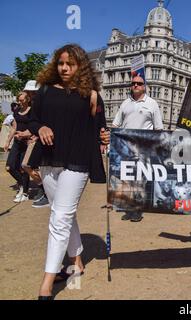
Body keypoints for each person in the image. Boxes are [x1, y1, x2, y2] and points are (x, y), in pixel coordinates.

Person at [29, 44, 107, 299]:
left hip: (78, 162)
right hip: (48, 161)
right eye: (61, 63)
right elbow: (32, 119)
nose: (64, 68)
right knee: (63, 213)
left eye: (70, 64)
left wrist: (104, 136)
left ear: (80, 66)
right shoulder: (44, 91)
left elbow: (100, 130)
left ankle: (46, 284)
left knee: (60, 218)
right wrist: (39, 128)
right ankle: (78, 263)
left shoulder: (92, 96)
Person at [112, 74, 164, 222]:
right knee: (127, 179)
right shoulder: (125, 103)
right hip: (125, 148)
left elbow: (158, 128)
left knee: (140, 180)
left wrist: (154, 146)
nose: (136, 85)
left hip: (143, 149)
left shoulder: (152, 103)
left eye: (139, 84)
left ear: (144, 86)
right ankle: (129, 207)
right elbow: (116, 124)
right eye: (133, 83)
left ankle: (137, 210)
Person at [15, 80, 50, 208]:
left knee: (30, 165)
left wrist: (30, 134)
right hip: (36, 139)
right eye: (29, 92)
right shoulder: (37, 104)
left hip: (41, 140)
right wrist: (25, 133)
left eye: (32, 92)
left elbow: (42, 123)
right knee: (30, 166)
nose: (30, 94)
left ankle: (47, 192)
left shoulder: (42, 104)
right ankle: (44, 190)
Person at [4, 92, 32, 203]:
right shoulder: (16, 111)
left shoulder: (32, 111)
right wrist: (7, 141)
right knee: (9, 167)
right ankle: (21, 185)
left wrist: (25, 134)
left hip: (27, 143)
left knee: (23, 168)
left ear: (28, 99)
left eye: (22, 100)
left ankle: (25, 193)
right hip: (16, 143)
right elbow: (14, 128)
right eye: (19, 100)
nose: (20, 102)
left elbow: (33, 127)